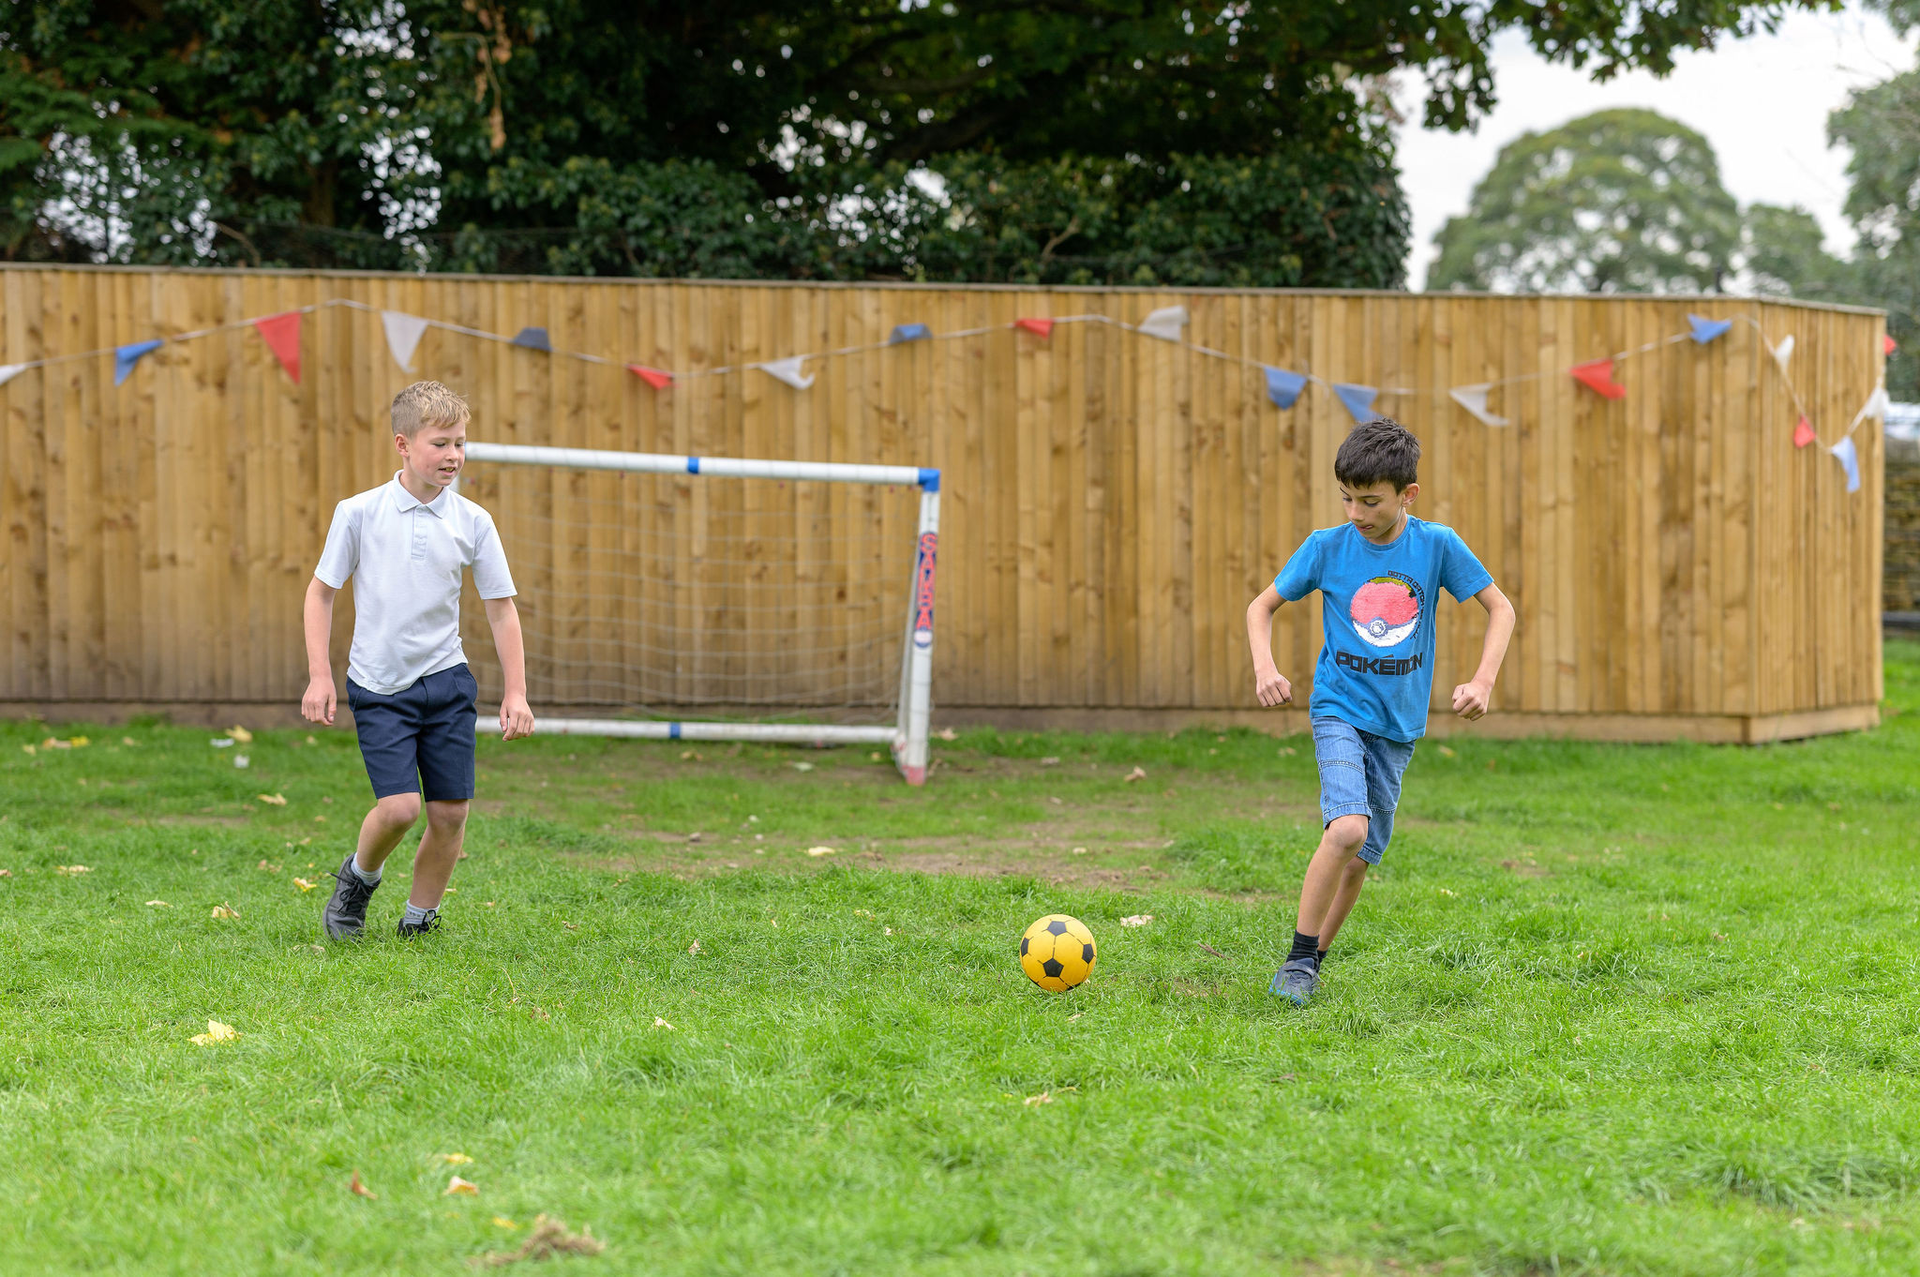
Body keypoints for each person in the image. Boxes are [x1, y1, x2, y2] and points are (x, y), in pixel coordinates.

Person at [1245, 417, 1515, 1004]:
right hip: (1338, 709)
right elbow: (1261, 607)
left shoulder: (1436, 545)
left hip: (1398, 727)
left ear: (1407, 495)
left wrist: (1483, 680)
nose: (1356, 513)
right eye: (1347, 498)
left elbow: (1502, 608)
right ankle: (1295, 960)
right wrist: (1266, 668)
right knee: (1346, 828)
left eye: (1370, 501)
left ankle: (1312, 961)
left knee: (1361, 857)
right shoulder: (1326, 547)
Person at [301, 381, 535, 939]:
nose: (453, 456)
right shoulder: (358, 513)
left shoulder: (474, 521)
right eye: (440, 444)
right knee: (402, 807)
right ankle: (357, 882)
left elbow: (502, 611)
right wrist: (318, 675)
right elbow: (320, 593)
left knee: (451, 813)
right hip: (379, 685)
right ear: (404, 445)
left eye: (460, 444)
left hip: (447, 680)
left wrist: (516, 692)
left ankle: (419, 919)